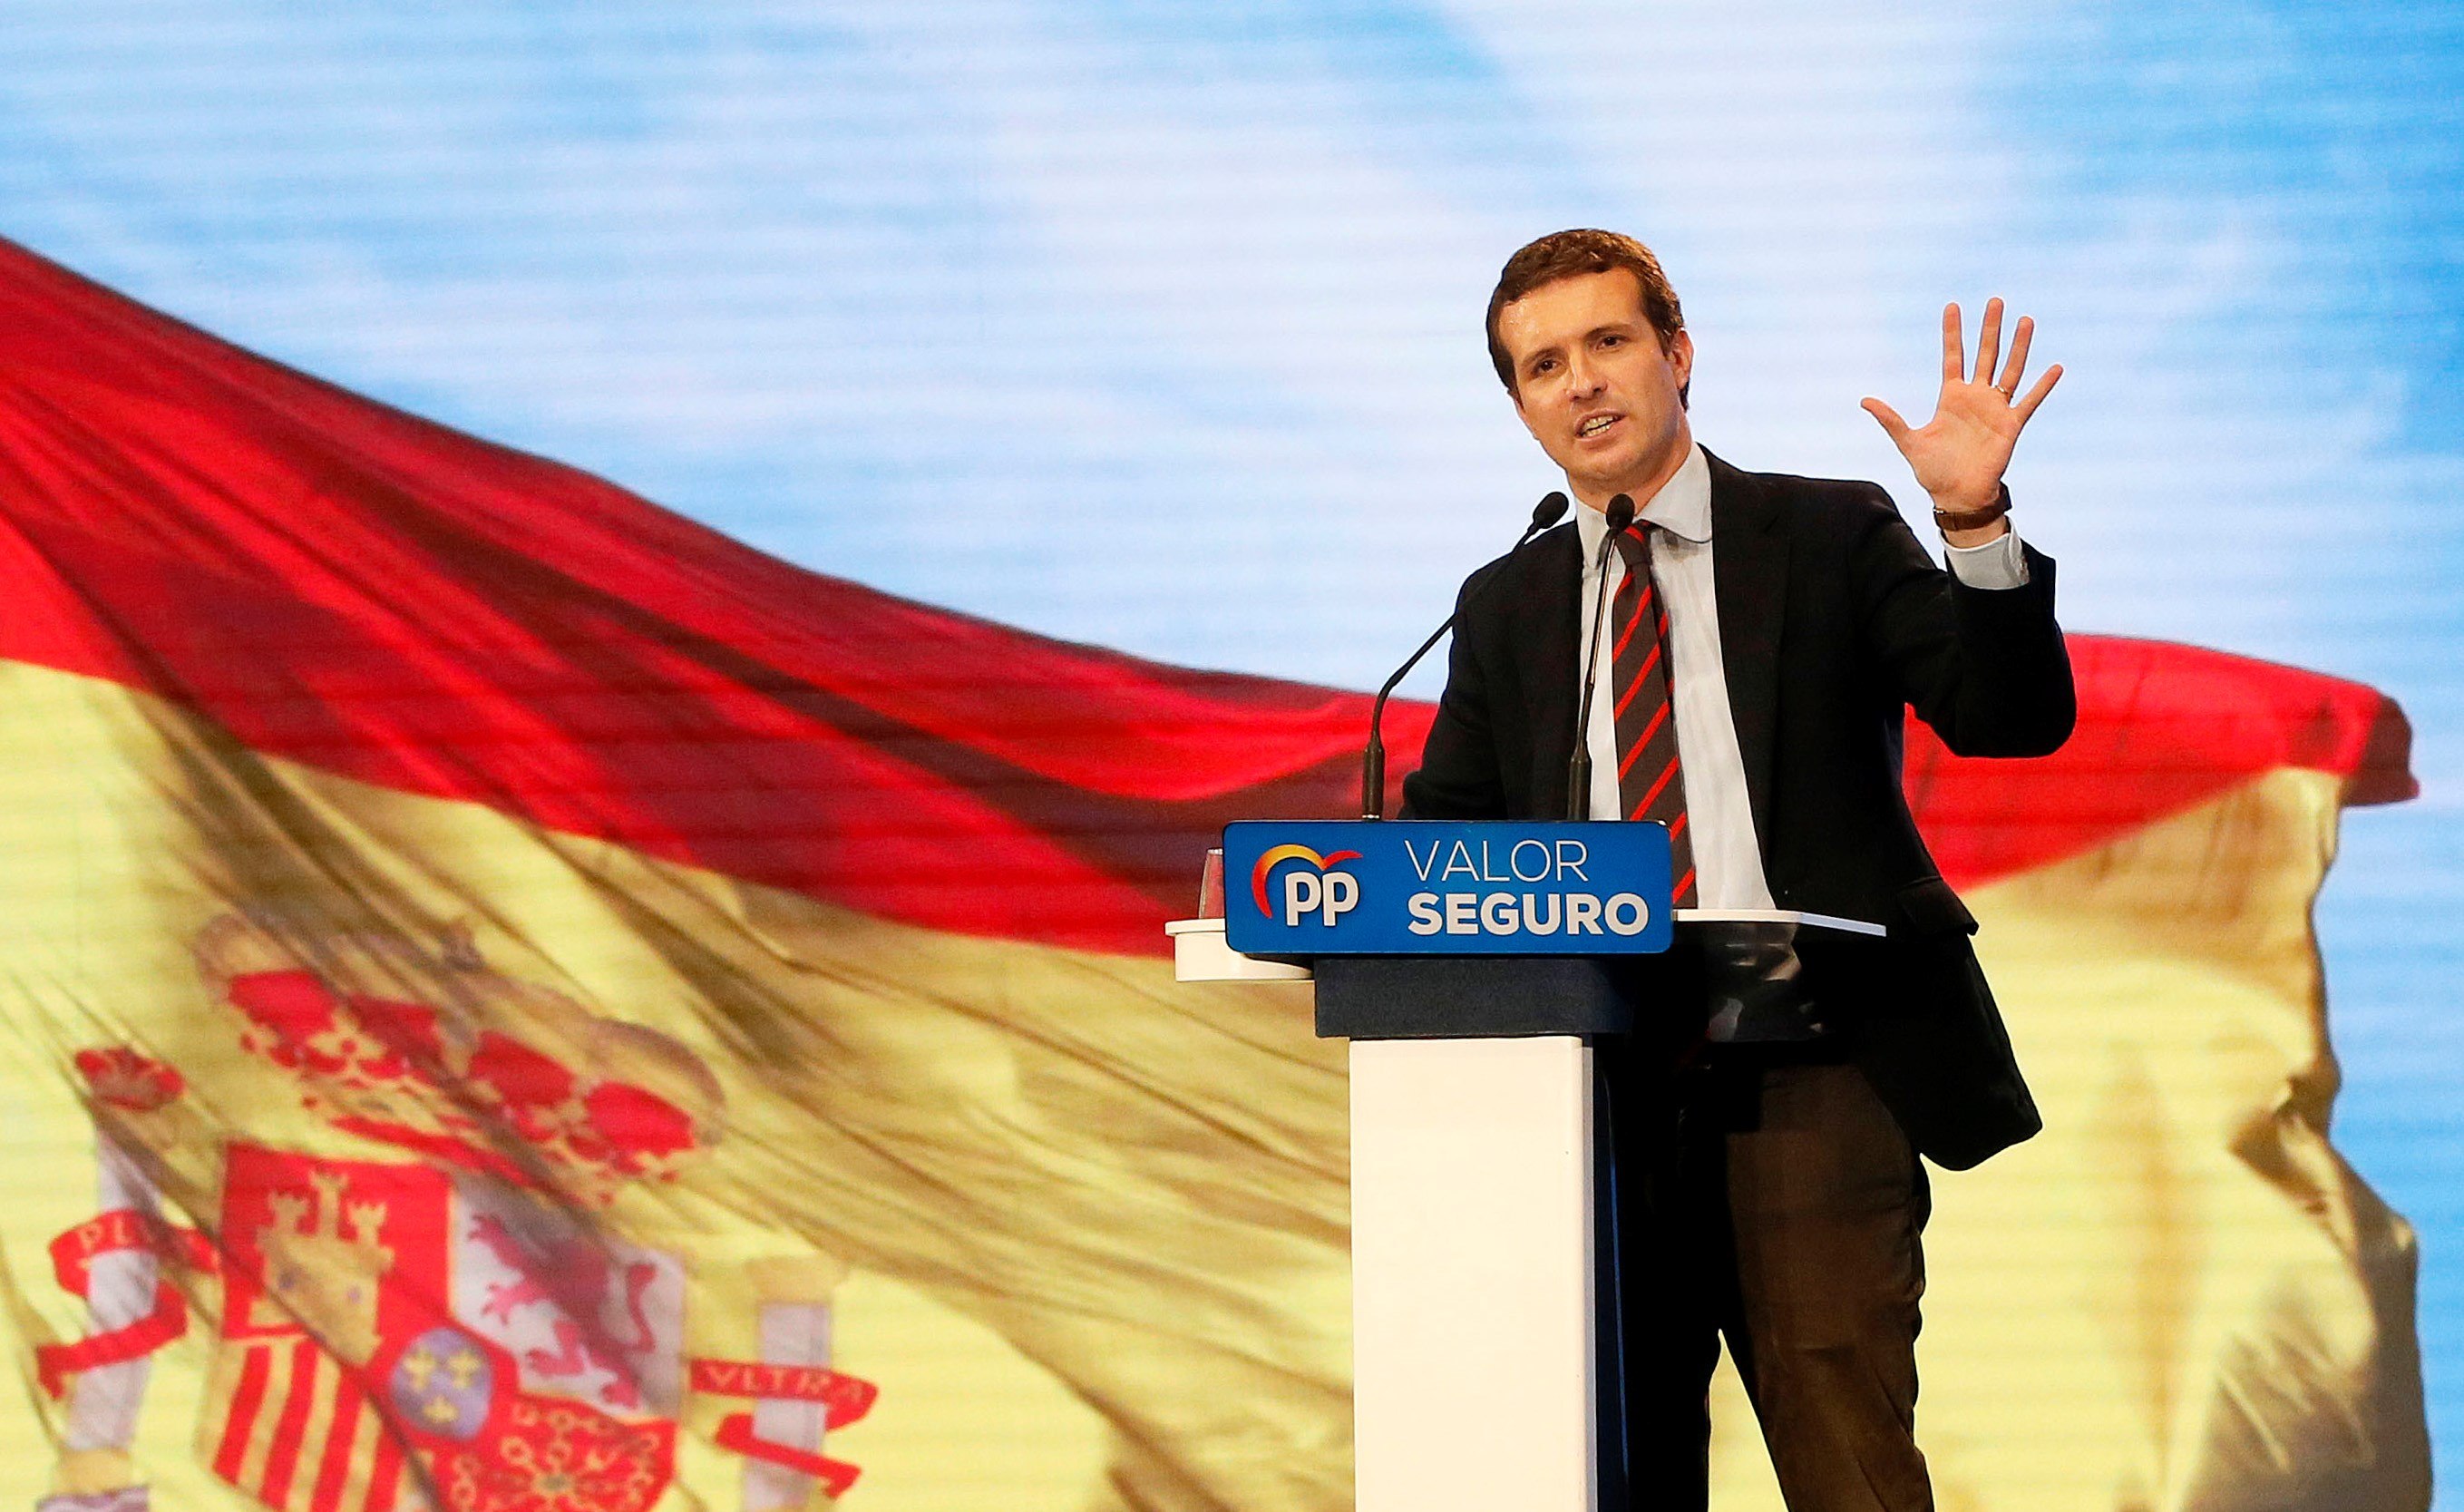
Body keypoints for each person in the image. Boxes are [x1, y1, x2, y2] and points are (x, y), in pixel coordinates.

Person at [1399, 229, 2076, 1512]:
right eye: (1543, 365)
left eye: (1608, 342)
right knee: (1612, 1464)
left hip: (1811, 1068)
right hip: (1588, 1100)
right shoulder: (1507, 601)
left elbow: (2009, 717)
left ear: (1677, 355)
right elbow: (1449, 839)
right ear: (1519, 404)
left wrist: (1972, 522)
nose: (1582, 382)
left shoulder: (1822, 532)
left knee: (1846, 1468)